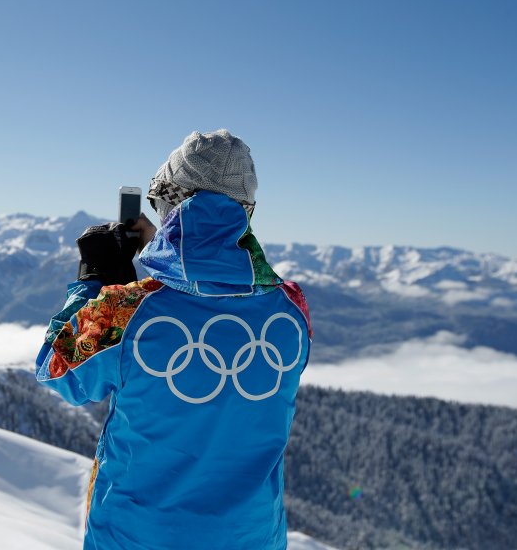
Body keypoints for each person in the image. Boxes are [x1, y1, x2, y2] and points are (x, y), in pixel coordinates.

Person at [35, 130, 312, 550]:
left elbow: (57, 371)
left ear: (173, 205)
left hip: (138, 537)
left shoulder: (124, 312)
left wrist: (93, 284)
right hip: (253, 536)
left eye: (158, 201)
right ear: (246, 210)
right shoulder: (292, 310)